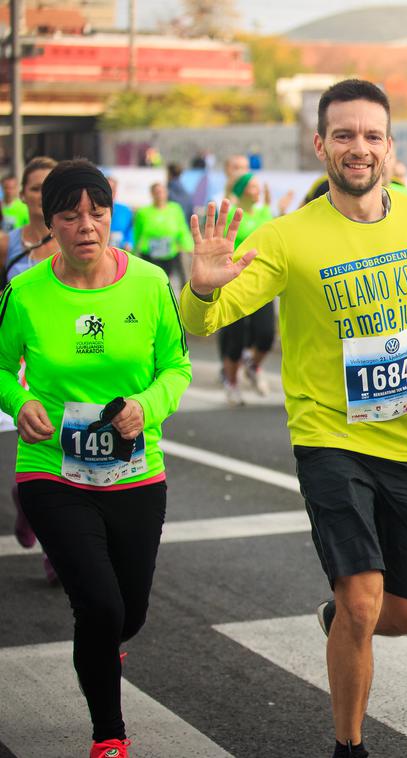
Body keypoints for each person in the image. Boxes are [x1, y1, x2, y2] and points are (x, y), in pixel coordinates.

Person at [181, 79, 407, 758]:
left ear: (391, 147)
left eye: (372, 135)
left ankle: (339, 617)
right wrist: (200, 285)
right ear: (320, 145)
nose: (358, 148)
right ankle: (349, 745)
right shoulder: (288, 236)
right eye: (343, 134)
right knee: (365, 600)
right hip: (330, 435)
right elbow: (207, 318)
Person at [0, 159, 192, 758]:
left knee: (125, 613)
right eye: (69, 214)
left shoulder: (152, 283)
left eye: (97, 212)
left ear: (112, 215)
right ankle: (109, 733)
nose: (86, 225)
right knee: (100, 604)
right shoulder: (26, 291)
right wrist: (21, 400)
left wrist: (146, 405)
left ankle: (104, 640)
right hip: (51, 469)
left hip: (136, 469)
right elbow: (2, 368)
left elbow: (177, 368)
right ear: (49, 224)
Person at [2, 156, 59, 582]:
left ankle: (58, 548)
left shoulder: (79, 242)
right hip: (20, 363)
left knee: (67, 450)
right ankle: (27, 498)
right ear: (22, 194)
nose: (43, 195)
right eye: (36, 187)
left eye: (50, 186)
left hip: (69, 360)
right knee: (36, 443)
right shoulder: (8, 245)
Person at [216, 172, 278, 403]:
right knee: (235, 339)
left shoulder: (265, 213)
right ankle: (231, 383)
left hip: (263, 283)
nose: (257, 190)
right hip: (235, 284)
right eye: (252, 186)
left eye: (258, 186)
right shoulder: (231, 214)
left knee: (266, 335)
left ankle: (252, 366)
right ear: (242, 190)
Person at [131, 183, 192, 290]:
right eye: (157, 192)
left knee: (169, 283)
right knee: (151, 283)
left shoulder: (175, 209)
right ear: (152, 194)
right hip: (149, 255)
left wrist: (189, 246)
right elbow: (136, 232)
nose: (160, 195)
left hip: (170, 254)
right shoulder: (143, 212)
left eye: (162, 192)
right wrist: (133, 250)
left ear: (166, 193)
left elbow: (182, 229)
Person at [106, 175, 135, 251]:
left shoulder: (125, 210)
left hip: (120, 252)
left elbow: (130, 231)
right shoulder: (94, 210)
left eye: (113, 189)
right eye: (108, 189)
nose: (111, 192)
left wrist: (129, 243)